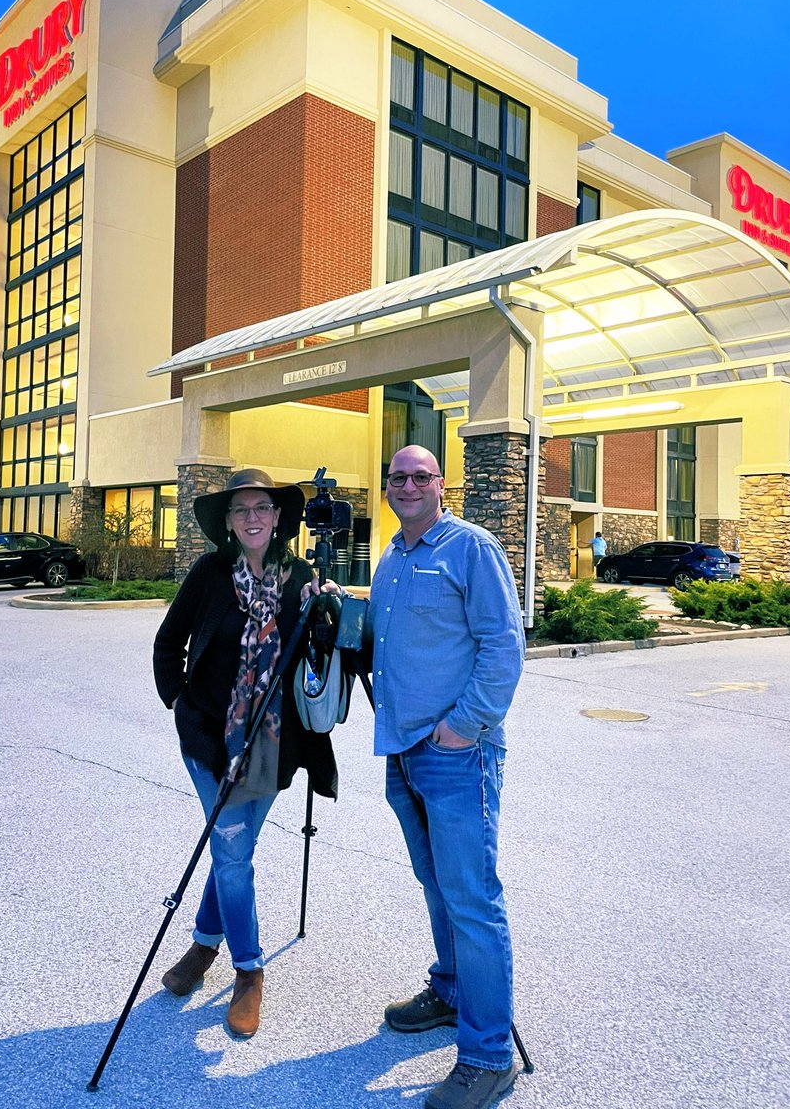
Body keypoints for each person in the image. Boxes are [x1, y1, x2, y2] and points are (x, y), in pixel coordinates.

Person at [153, 469, 337, 1038]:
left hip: (273, 744)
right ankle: (249, 971)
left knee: (231, 847)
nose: (252, 518)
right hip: (210, 740)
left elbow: (320, 656)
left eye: (262, 507)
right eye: (240, 511)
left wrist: (325, 611)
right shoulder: (209, 574)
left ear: (278, 516)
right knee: (233, 852)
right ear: (228, 523)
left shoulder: (301, 575)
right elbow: (168, 642)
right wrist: (181, 703)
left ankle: (205, 945)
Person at [371, 445, 525, 1109]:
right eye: (398, 477)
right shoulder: (392, 559)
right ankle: (452, 991)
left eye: (420, 476)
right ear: (387, 489)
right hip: (404, 751)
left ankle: (489, 1056)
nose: (408, 484)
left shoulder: (471, 547)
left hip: (457, 754)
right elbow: (381, 639)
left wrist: (465, 725)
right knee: (437, 887)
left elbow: (504, 642)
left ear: (441, 485)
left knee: (472, 899)